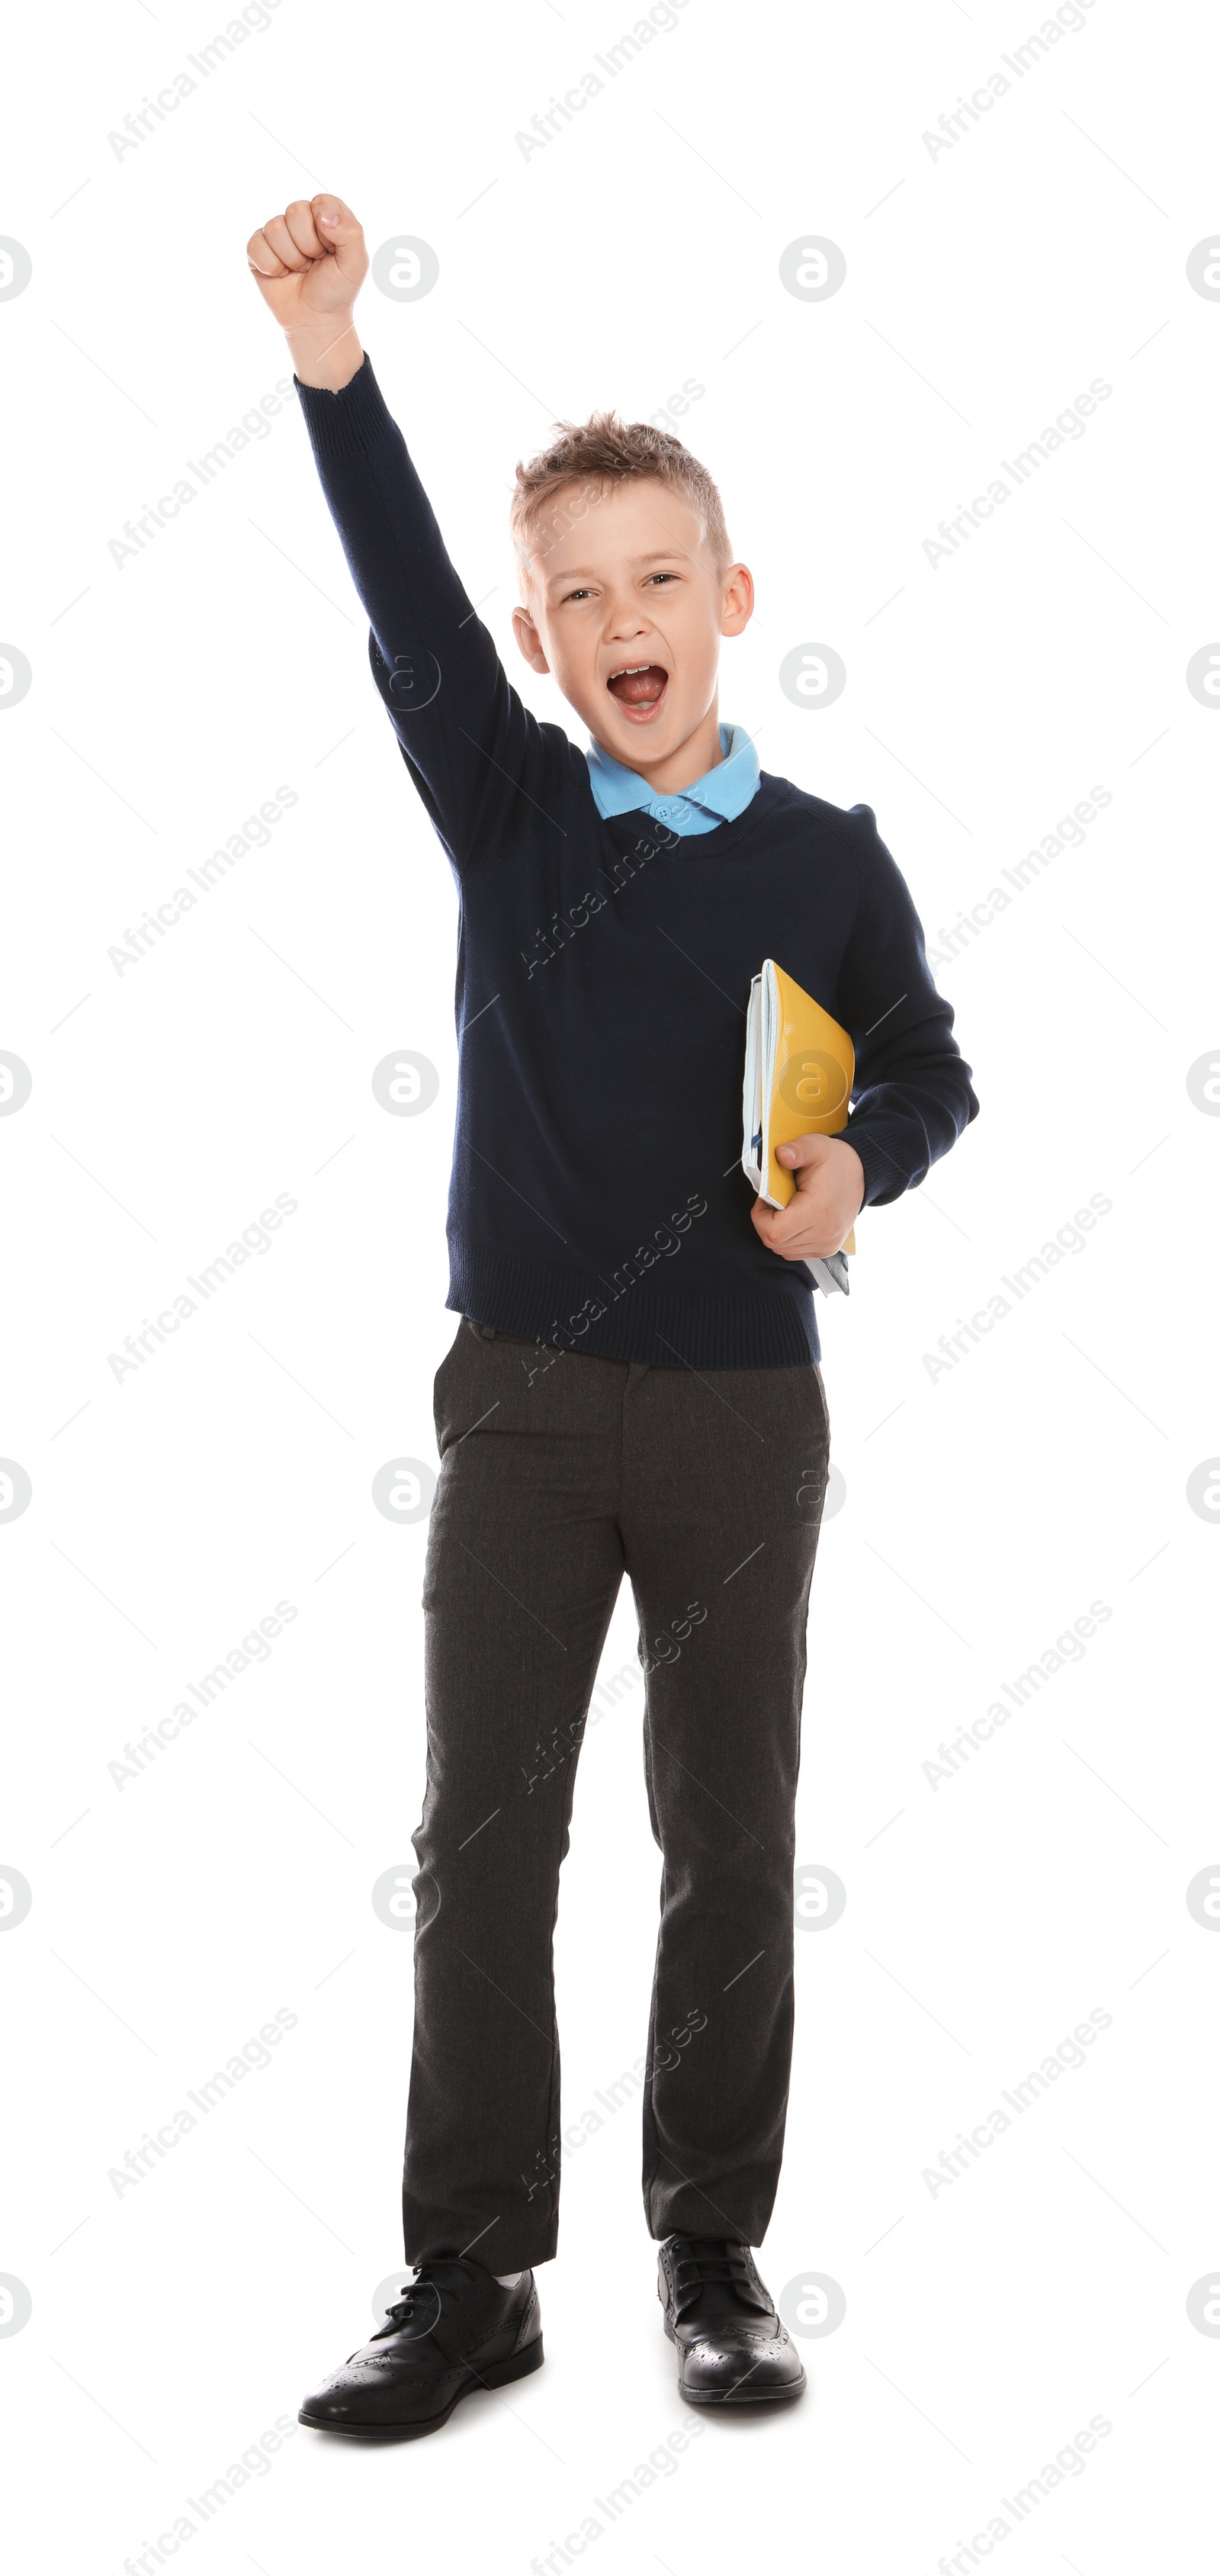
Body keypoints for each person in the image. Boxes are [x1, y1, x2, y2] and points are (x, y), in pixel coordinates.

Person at [246, 192, 978, 2441]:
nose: (620, 618)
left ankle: (713, 2243)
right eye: (576, 597)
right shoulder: (513, 811)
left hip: (750, 1409)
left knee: (728, 1827)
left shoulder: (829, 855)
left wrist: (870, 1160)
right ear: (543, 648)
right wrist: (333, 359)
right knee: (487, 1834)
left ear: (730, 602)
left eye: (658, 577)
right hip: (531, 1407)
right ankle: (470, 2270)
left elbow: (928, 1063)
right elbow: (398, 599)